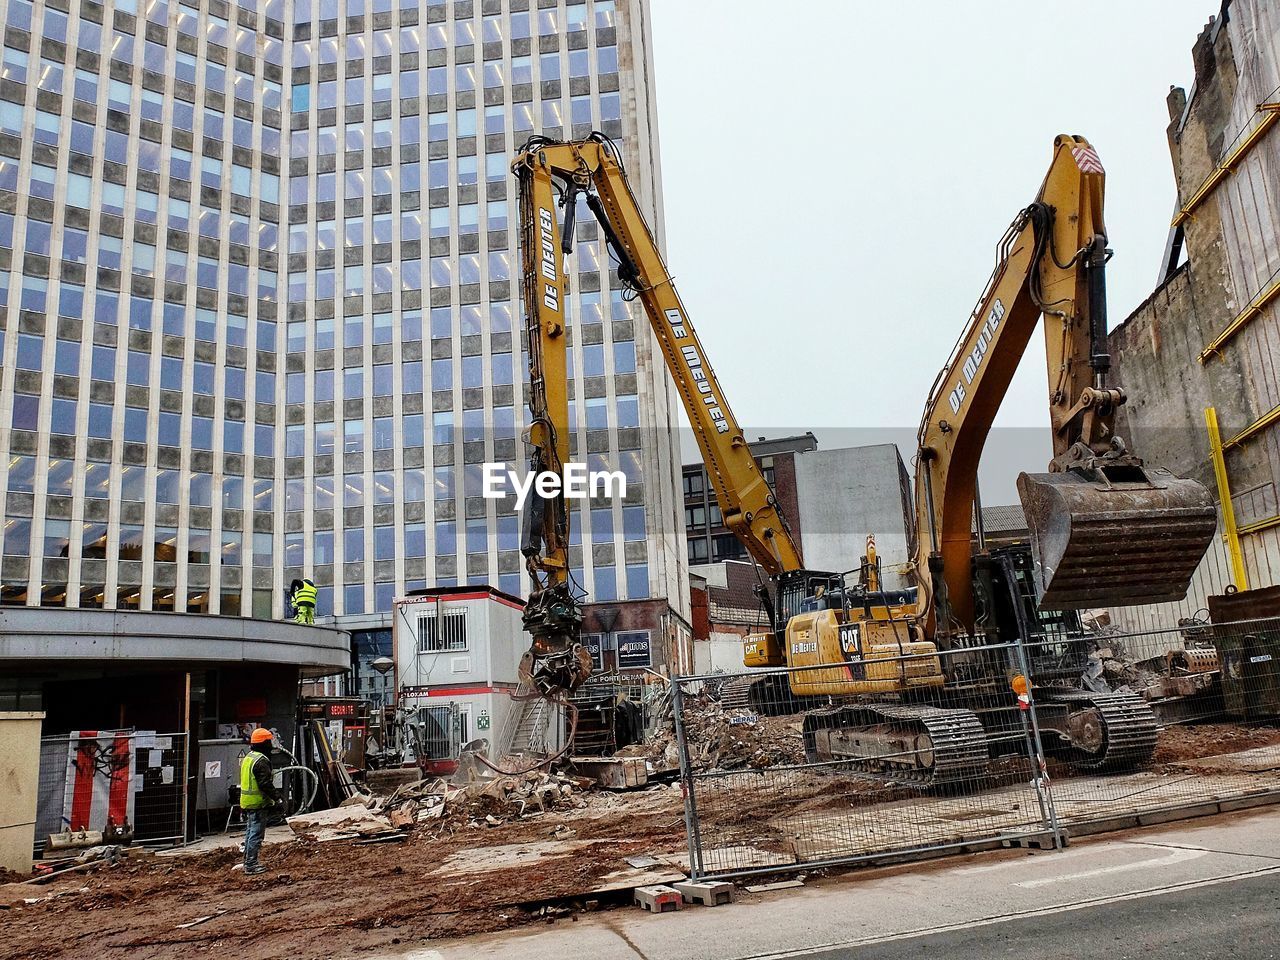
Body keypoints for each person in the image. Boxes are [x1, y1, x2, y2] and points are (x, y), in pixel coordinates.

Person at [239, 727, 280, 875]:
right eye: (269, 741)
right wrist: (278, 798)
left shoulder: (249, 757)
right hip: (258, 802)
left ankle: (247, 862)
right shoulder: (261, 761)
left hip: (248, 802)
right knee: (256, 834)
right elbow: (265, 784)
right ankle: (251, 864)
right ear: (264, 743)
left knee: (250, 833)